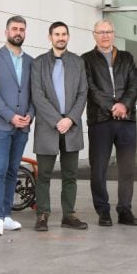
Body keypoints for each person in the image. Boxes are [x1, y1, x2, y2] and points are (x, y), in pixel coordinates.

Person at [30, 22, 89, 231]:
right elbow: (37, 95)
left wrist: (70, 119)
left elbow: (83, 93)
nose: (61, 37)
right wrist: (57, 120)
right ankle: (43, 215)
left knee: (70, 174)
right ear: (50, 37)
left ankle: (69, 215)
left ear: (68, 37)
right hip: (48, 126)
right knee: (44, 174)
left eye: (64, 34)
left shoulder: (78, 62)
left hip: (71, 127)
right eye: (57, 34)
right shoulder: (38, 63)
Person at [82, 19, 137, 226]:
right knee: (98, 168)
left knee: (127, 168)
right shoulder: (86, 60)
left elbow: (135, 84)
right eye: (101, 32)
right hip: (100, 121)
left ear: (114, 34)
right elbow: (90, 88)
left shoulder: (126, 57)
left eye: (108, 31)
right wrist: (112, 106)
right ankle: (103, 211)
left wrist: (124, 105)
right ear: (94, 35)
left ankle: (125, 210)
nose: (105, 35)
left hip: (126, 120)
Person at [0, 16, 33, 236]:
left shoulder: (32, 61)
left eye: (22, 29)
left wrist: (30, 115)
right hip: (0, 125)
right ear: (6, 32)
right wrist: (11, 116)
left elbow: (35, 93)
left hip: (22, 126)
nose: (18, 32)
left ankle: (6, 215)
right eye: (14, 28)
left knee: (13, 171)